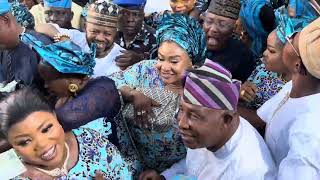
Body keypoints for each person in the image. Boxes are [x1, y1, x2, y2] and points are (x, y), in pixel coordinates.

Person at [139, 60, 276, 180]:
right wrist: (165, 177)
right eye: (182, 109)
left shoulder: (250, 172)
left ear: (227, 120)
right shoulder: (209, 134)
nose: (181, 123)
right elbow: (194, 164)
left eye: (194, 115)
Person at [110, 13, 206, 172]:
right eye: (161, 58)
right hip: (124, 161)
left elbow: (198, 155)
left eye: (174, 61)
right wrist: (133, 93)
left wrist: (165, 175)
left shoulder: (200, 97)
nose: (164, 67)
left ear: (193, 61)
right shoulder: (146, 69)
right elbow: (111, 85)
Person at [0, 88, 131, 179]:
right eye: (25, 141)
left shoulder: (90, 141)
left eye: (46, 129)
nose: (42, 144)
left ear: (55, 117)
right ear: (12, 145)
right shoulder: (11, 173)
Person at [257, 17, 320, 179]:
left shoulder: (308, 130)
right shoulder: (294, 86)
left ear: (298, 65)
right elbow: (261, 118)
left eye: (292, 40)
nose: (289, 37)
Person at [35, 1, 125, 77]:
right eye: (94, 31)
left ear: (115, 33)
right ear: (85, 27)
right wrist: (65, 41)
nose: (100, 38)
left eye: (107, 34)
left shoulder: (123, 57)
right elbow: (42, 27)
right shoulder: (76, 37)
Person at [238, 30, 290, 131]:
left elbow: (259, 121)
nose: (264, 53)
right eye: (266, 48)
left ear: (291, 57)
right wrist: (241, 93)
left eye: (271, 51)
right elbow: (244, 94)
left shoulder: (293, 90)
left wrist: (224, 104)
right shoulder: (264, 69)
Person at [203, 0, 255, 83]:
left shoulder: (242, 55)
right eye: (209, 22)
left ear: (234, 28)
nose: (213, 29)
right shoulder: (189, 43)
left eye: (222, 25)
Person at [113, 0, 157, 69]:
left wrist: (141, 60)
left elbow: (162, 68)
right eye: (124, 14)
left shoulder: (155, 38)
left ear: (143, 15)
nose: (130, 19)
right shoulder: (110, 34)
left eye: (135, 14)